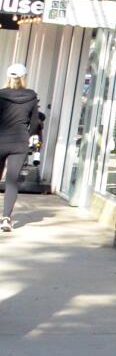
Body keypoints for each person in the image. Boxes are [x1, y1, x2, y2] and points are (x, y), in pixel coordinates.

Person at [0, 62, 38, 233]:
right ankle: (6, 218)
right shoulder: (31, 96)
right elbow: (35, 122)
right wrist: (28, 134)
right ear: (24, 78)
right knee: (12, 180)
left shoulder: (0, 95)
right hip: (19, 142)